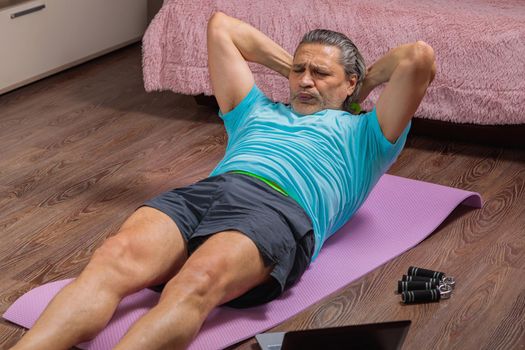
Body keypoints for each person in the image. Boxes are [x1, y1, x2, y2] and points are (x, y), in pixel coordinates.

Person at [11, 11, 436, 350]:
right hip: (207, 192)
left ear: (351, 83)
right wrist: (296, 66)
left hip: (280, 209)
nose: (305, 81)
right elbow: (222, 27)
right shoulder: (253, 109)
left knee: (194, 283)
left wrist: (359, 94)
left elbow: (418, 58)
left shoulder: (367, 135)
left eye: (321, 74)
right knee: (112, 259)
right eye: (299, 71)